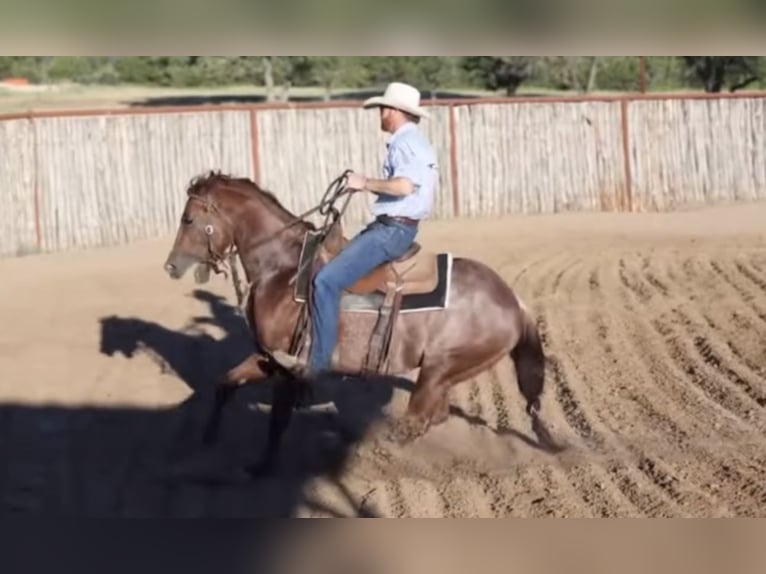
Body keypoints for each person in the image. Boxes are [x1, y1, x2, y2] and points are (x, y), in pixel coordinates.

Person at [271, 81, 439, 378]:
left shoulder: (405, 142)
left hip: (391, 232)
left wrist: (365, 183)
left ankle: (318, 365)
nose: (380, 114)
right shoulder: (413, 141)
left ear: (394, 111)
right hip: (392, 227)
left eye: (383, 109)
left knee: (325, 281)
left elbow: (404, 185)